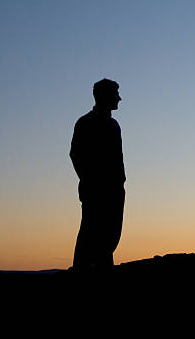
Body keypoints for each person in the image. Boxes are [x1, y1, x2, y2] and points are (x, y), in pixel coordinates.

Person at [69, 78, 126, 272]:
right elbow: (75, 154)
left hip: (115, 190)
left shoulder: (114, 125)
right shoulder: (86, 123)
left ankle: (102, 269)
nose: (119, 98)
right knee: (90, 232)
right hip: (95, 191)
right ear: (104, 96)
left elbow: (117, 159)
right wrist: (90, 180)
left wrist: (120, 183)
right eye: (115, 94)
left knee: (109, 235)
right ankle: (82, 271)